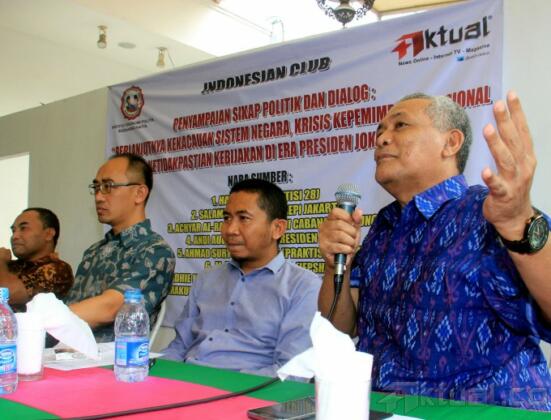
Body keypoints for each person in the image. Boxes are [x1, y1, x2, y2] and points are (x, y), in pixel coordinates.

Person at [318, 91, 551, 411]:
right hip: (385, 408)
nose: (382, 139)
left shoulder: (488, 212)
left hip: (482, 410)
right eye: (379, 131)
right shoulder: (382, 226)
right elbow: (343, 328)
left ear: (450, 143)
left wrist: (517, 225)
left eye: (400, 125)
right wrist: (334, 265)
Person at [162, 179, 321, 377]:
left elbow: (290, 371)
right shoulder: (206, 280)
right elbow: (178, 348)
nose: (230, 230)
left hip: (246, 389)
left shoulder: (303, 287)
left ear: (277, 229)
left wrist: (226, 388)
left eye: (244, 218)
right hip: (186, 381)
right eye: (227, 218)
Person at [65, 153, 175, 342]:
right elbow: (73, 307)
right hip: (67, 351)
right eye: (96, 187)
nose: (99, 197)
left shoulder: (155, 251)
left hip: (116, 356)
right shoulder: (94, 252)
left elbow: (111, 307)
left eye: (108, 186)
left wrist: (44, 318)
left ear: (139, 194)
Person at [0, 208, 73, 312]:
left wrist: (1, 261)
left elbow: (7, 294)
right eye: (13, 231)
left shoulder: (58, 270)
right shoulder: (9, 266)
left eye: (23, 228)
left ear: (48, 234)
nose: (14, 236)